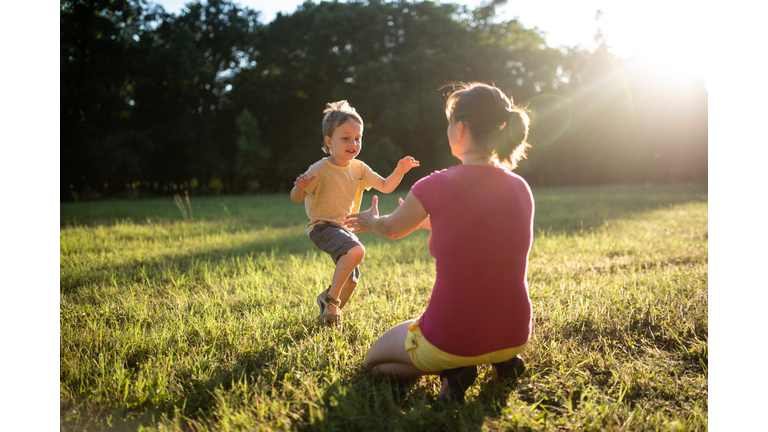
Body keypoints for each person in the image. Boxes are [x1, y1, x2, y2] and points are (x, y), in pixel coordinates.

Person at [343, 82, 534, 402]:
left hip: (451, 341)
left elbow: (391, 229)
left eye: (449, 122)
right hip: (514, 335)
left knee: (374, 362)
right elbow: (482, 231)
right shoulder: (520, 187)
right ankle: (502, 361)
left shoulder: (435, 185)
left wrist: (372, 221)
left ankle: (453, 370)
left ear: (460, 129)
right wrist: (429, 220)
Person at [290, 100, 420, 324]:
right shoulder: (320, 169)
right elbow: (296, 197)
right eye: (346, 138)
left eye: (358, 138)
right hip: (322, 227)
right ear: (329, 142)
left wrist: (399, 171)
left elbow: (385, 186)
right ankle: (331, 300)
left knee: (351, 280)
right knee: (357, 251)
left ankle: (329, 310)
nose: (353, 143)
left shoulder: (360, 168)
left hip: (343, 229)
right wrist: (299, 187)